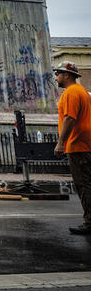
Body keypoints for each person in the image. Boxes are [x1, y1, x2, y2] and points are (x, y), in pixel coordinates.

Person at [53, 61, 91, 234]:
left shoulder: (71, 93)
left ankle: (89, 222)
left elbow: (70, 118)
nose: (56, 77)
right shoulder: (82, 91)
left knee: (84, 185)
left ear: (66, 75)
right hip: (86, 144)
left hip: (78, 145)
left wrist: (61, 142)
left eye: (58, 73)